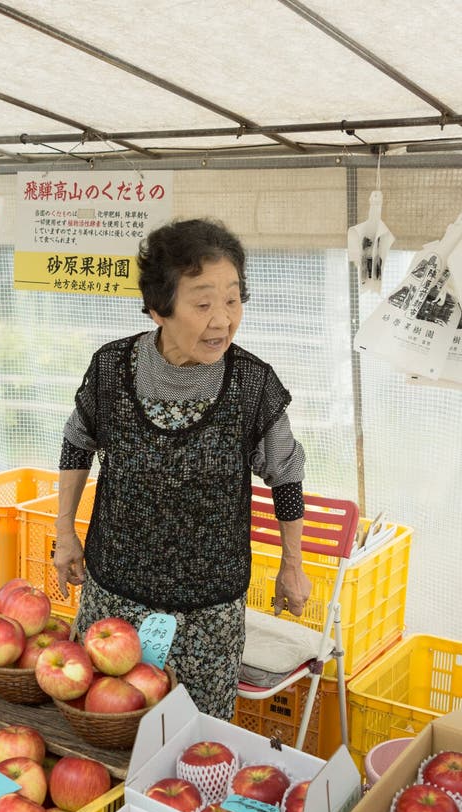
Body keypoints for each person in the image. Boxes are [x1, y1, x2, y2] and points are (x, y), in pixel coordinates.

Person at [54, 217, 311, 720]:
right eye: (202, 302)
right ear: (158, 308)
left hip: (208, 620)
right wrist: (65, 530)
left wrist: (293, 564)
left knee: (193, 751)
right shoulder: (110, 368)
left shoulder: (253, 385)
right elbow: (75, 442)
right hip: (114, 604)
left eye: (233, 299)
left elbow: (287, 473)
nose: (222, 320)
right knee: (104, 732)